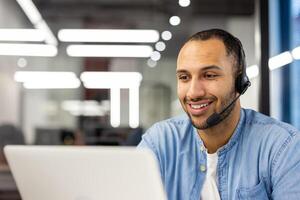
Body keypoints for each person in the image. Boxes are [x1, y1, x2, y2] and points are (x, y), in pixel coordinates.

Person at [138, 29, 300, 200]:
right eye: (184, 77)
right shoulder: (159, 142)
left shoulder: (283, 146)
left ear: (240, 83)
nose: (193, 93)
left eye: (209, 75)